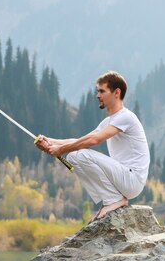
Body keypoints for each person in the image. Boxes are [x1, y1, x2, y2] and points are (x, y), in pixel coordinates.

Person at [36, 71, 150, 221]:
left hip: (132, 179)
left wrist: (60, 150)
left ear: (117, 93)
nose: (98, 95)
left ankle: (113, 200)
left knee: (78, 155)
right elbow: (81, 139)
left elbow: (93, 140)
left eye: (102, 91)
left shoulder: (125, 117)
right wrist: (50, 142)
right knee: (75, 156)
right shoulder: (109, 121)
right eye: (98, 91)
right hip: (124, 178)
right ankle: (113, 199)